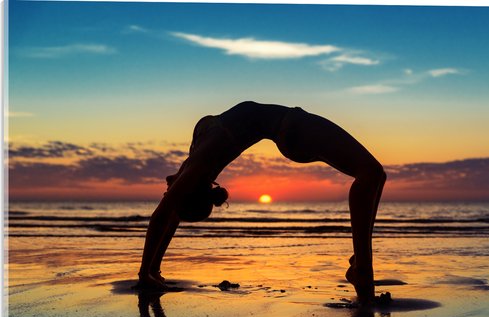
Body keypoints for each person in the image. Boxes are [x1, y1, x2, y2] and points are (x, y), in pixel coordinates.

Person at [137, 101, 386, 302]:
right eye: (170, 193)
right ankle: (363, 270)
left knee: (376, 175)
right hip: (292, 127)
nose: (166, 188)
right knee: (371, 173)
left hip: (291, 129)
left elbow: (170, 219)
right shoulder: (199, 166)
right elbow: (162, 216)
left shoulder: (194, 162)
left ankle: (361, 264)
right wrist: (143, 273)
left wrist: (154, 269)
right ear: (188, 191)